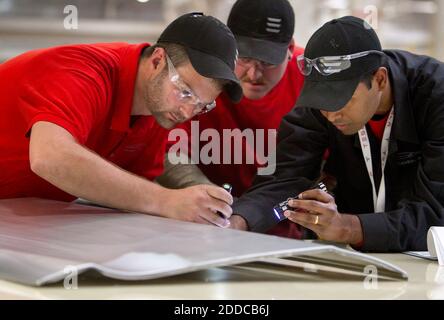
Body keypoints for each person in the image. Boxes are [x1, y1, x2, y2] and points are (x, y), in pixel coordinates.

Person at [0, 13, 243, 228]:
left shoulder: (161, 112)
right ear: (157, 60)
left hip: (20, 218)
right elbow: (50, 157)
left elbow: (138, 184)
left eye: (202, 105)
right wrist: (166, 200)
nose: (187, 111)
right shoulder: (82, 72)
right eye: (185, 92)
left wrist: (206, 205)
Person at [229, 16, 444, 252]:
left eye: (341, 101)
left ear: (379, 79)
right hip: (353, 256)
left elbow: (436, 213)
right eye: (323, 102)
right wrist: (238, 222)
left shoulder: (436, 96)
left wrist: (348, 228)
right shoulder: (319, 104)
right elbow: (284, 179)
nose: (331, 115)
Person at [157, 0, 305, 237]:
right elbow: (167, 150)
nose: (254, 74)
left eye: (267, 62)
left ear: (290, 49)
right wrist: (207, 197)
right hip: (206, 224)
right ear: (229, 46)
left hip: (285, 225)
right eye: (244, 58)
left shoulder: (310, 80)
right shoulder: (202, 72)